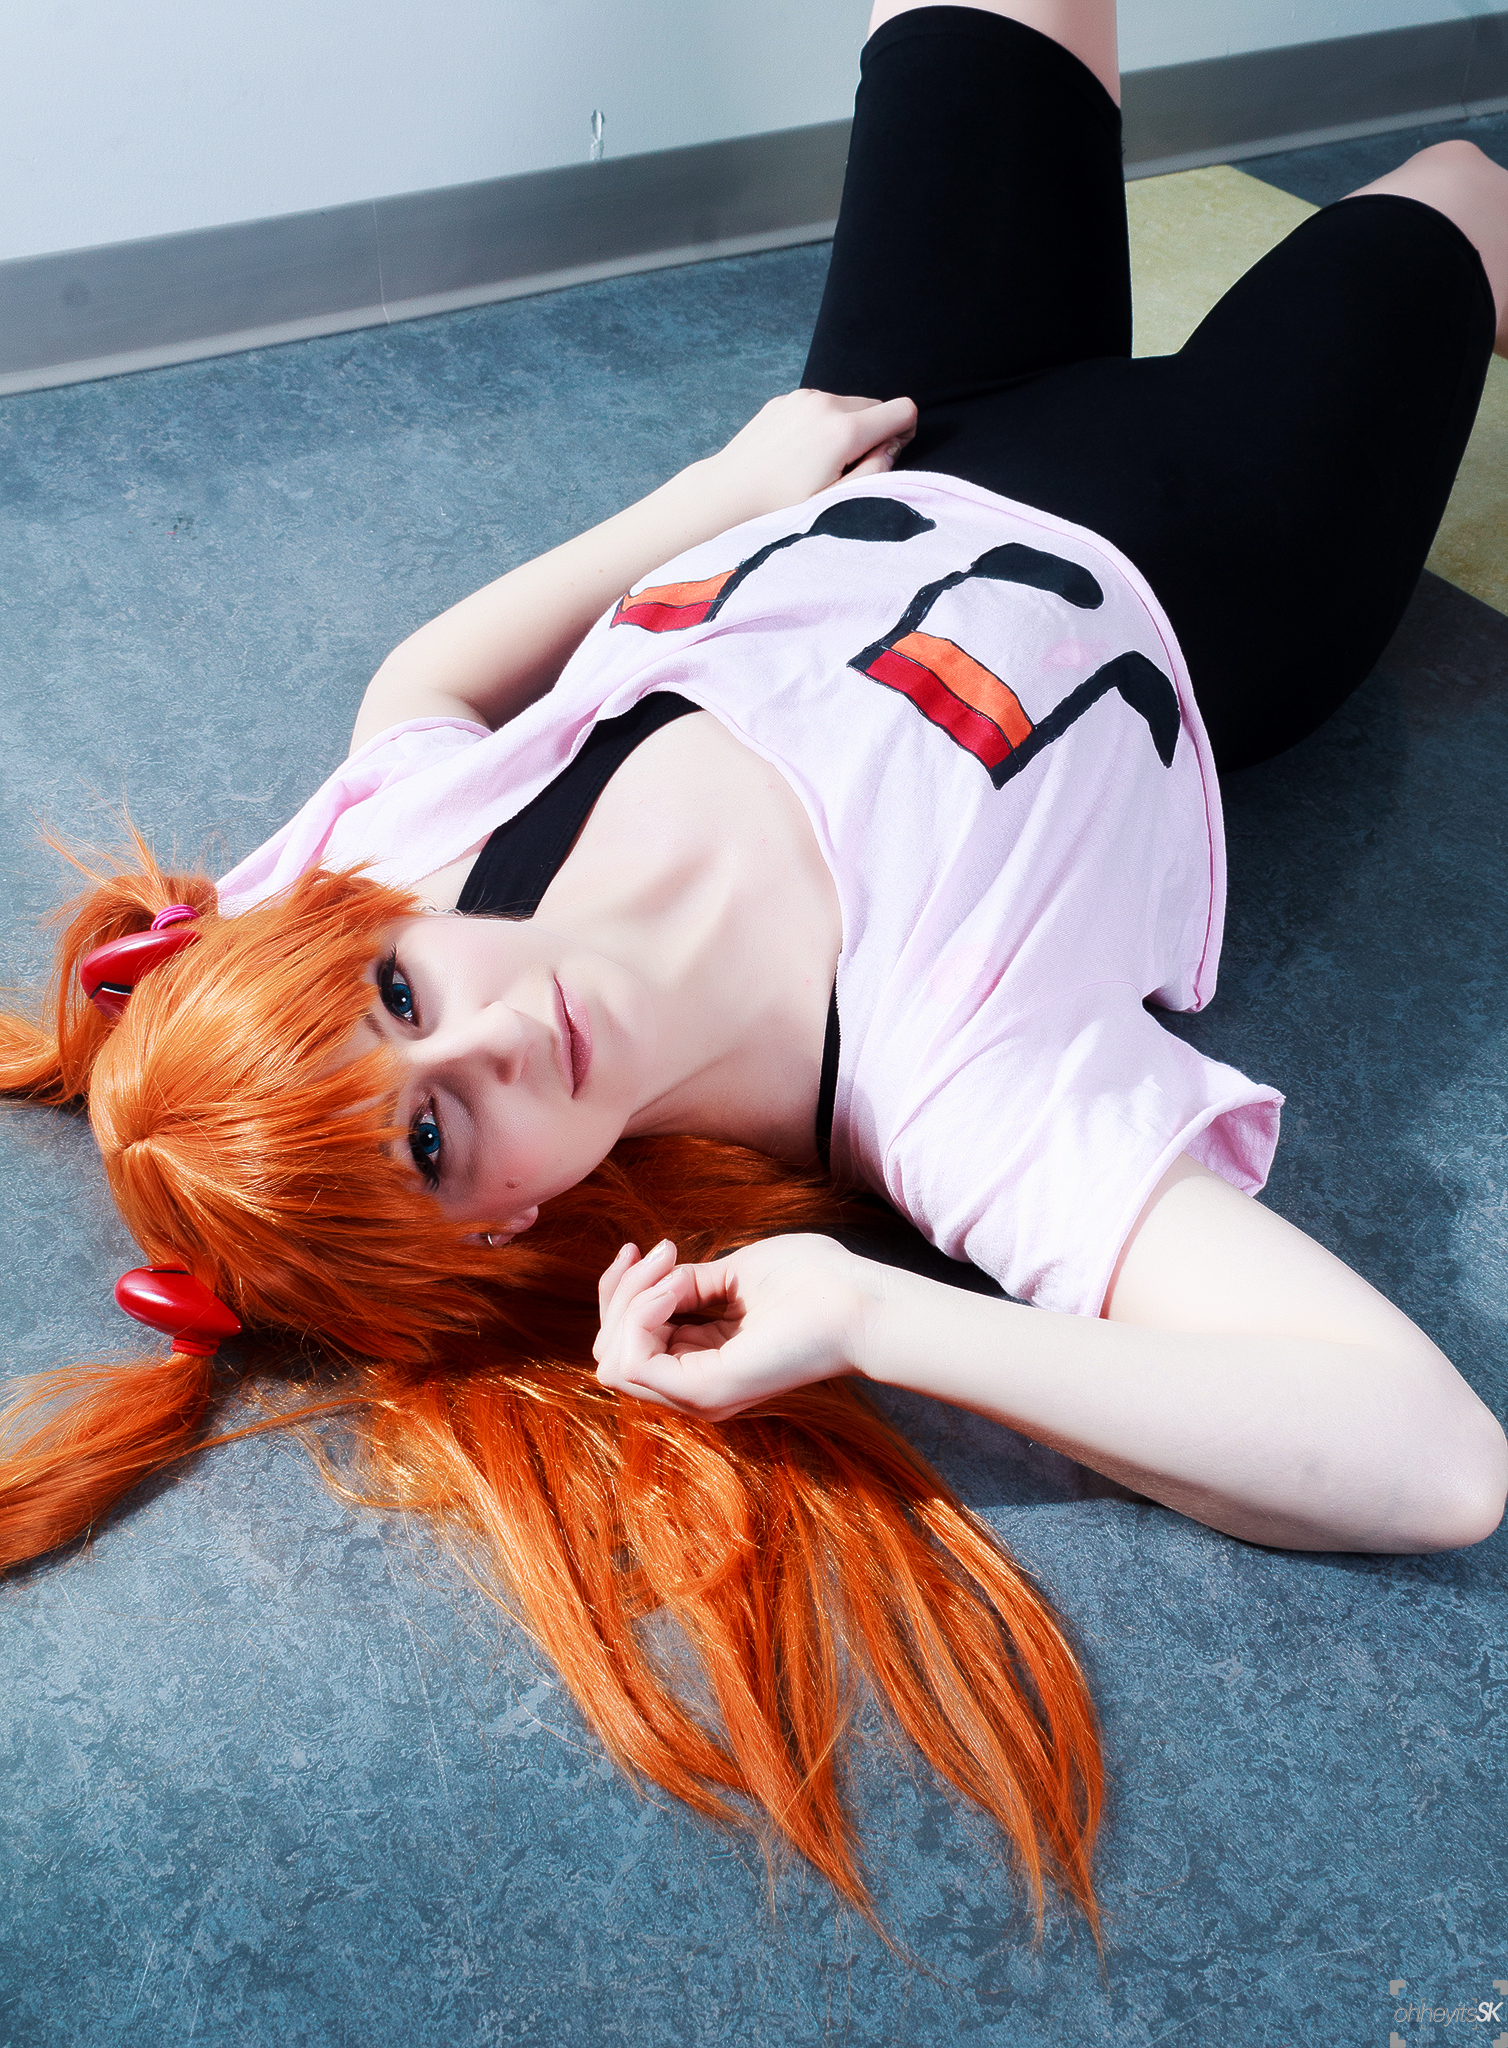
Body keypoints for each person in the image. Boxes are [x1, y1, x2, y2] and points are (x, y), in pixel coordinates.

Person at [3, 0, 1506, 1939]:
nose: (488, 1028)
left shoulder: (405, 860)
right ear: (494, 1229)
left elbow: (416, 689)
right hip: (1210, 540)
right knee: (1456, 189)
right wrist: (874, 1317)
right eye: (437, 1136)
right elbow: (1438, 1463)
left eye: (397, 1000)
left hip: (894, 427)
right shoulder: (944, 1075)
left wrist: (716, 487)